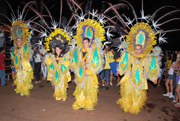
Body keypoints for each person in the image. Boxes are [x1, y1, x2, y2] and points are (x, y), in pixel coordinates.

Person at [116, 43, 160, 114]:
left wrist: (153, 78)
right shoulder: (131, 56)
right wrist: (120, 71)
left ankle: (134, 107)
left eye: (139, 49)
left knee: (137, 94)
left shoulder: (145, 58)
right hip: (129, 77)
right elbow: (125, 64)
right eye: (136, 49)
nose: (137, 50)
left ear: (141, 50)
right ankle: (126, 106)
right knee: (127, 92)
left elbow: (149, 69)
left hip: (140, 79)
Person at [71, 38, 103, 111]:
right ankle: (81, 103)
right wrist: (77, 71)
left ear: (89, 43)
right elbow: (77, 62)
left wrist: (88, 72)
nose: (84, 44)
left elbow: (95, 63)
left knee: (88, 89)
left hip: (89, 73)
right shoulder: (80, 51)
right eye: (83, 42)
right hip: (81, 73)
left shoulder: (93, 52)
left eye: (86, 42)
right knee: (80, 88)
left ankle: (88, 104)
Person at [44, 28, 71, 101]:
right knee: (57, 85)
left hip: (62, 73)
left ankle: (63, 95)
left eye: (58, 49)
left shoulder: (65, 56)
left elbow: (67, 63)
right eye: (56, 49)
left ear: (61, 50)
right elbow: (47, 61)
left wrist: (60, 60)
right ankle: (58, 95)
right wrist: (51, 60)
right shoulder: (53, 56)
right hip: (56, 74)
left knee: (62, 84)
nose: (57, 51)